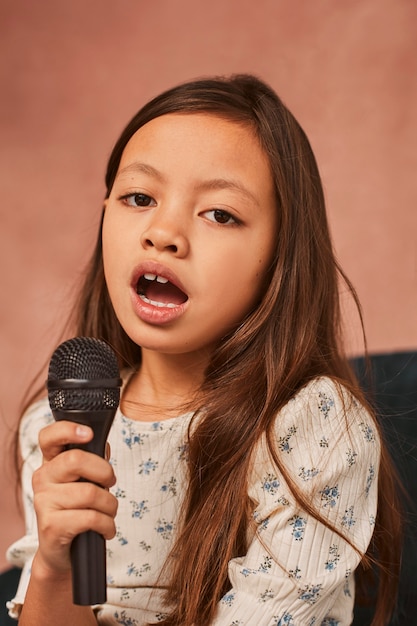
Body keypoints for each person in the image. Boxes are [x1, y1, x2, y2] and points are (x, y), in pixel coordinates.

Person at [6, 74, 402, 626]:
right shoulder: (55, 424)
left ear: (279, 260)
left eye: (220, 214)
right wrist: (55, 567)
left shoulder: (311, 428)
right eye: (139, 198)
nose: (163, 232)